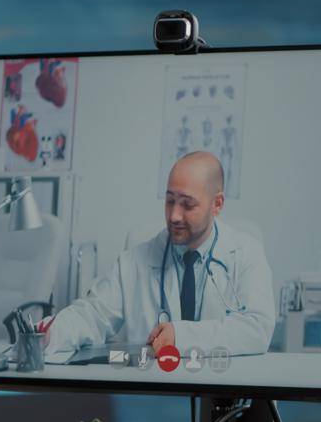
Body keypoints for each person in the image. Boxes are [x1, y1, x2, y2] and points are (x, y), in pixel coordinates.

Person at [44, 151, 274, 360]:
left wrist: (181, 337)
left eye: (187, 204)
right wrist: (51, 332)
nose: (174, 215)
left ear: (217, 204)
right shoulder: (133, 262)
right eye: (170, 200)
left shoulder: (246, 254)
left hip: (220, 391)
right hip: (156, 393)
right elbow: (92, 314)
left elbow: (257, 329)